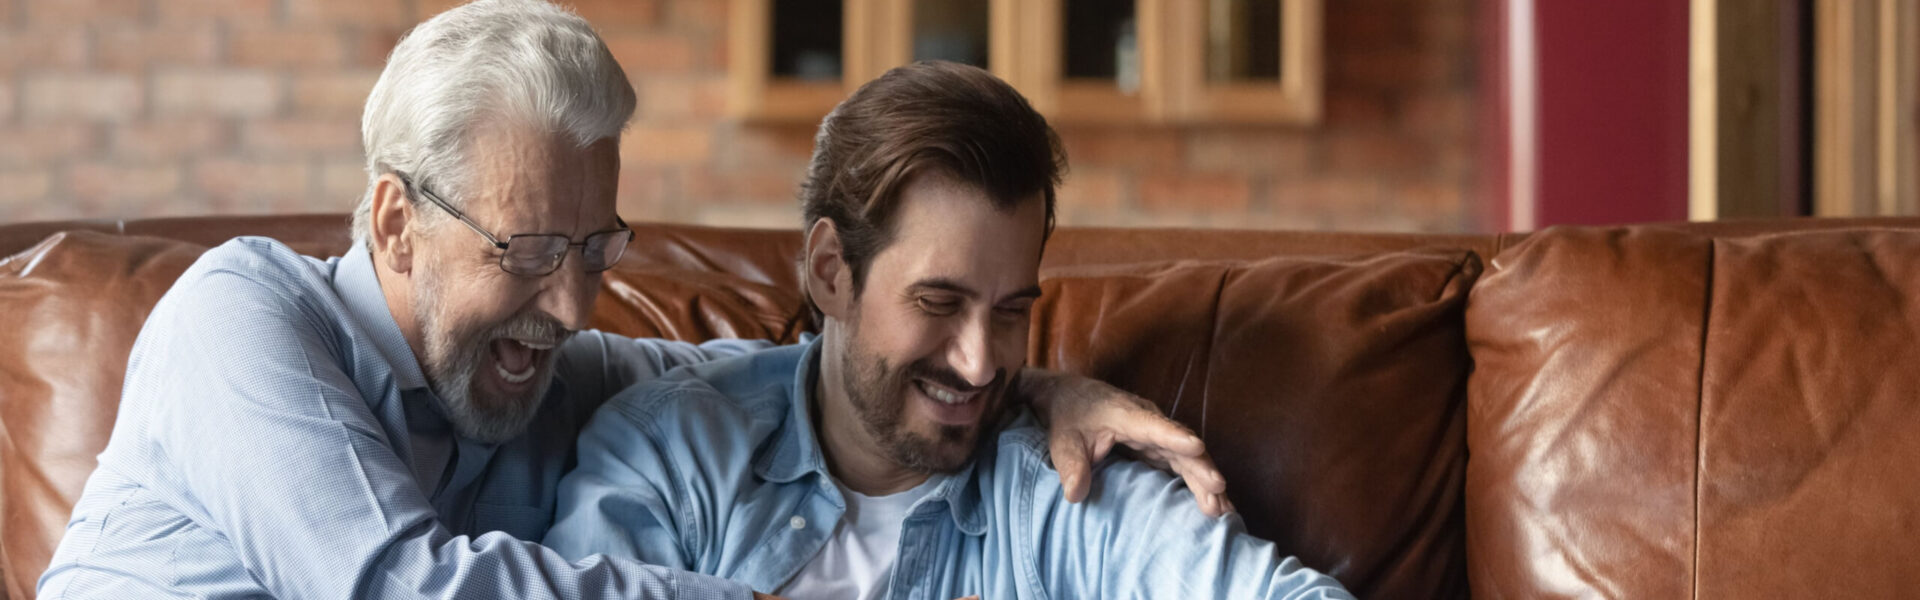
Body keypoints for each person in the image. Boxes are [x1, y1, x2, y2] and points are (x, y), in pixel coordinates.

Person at [37, 3, 1225, 598]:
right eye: (530, 247)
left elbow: (814, 376)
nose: (568, 302)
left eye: (596, 244)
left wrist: (1026, 382)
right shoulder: (238, 315)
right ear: (396, 222)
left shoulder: (548, 372)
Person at [542, 61, 1354, 600]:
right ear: (831, 272)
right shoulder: (671, 455)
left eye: (1012, 312)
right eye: (937, 303)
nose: (978, 363)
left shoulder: (1060, 492)